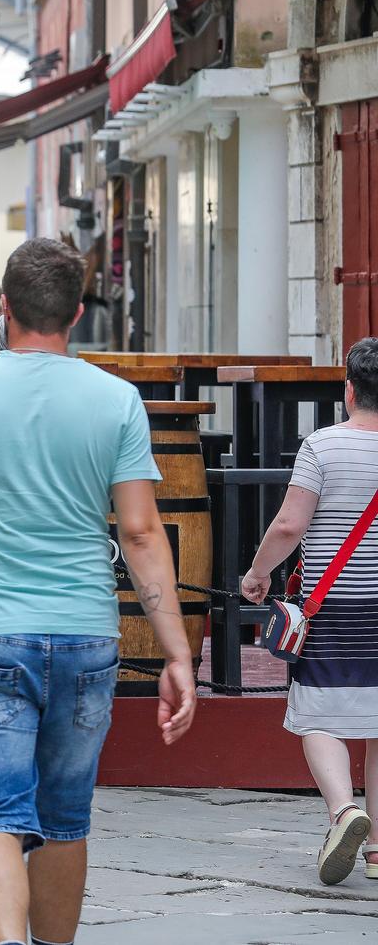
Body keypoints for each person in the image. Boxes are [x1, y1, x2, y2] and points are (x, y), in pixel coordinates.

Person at [0, 238, 195, 945]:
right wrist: (177, 652)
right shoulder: (116, 400)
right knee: (65, 816)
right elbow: (142, 533)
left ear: (3, 307)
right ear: (79, 312)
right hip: (85, 632)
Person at [241, 337, 378, 885]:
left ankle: (344, 812)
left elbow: (290, 526)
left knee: (317, 715)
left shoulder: (322, 447)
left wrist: (257, 572)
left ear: (349, 390)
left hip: (334, 607)